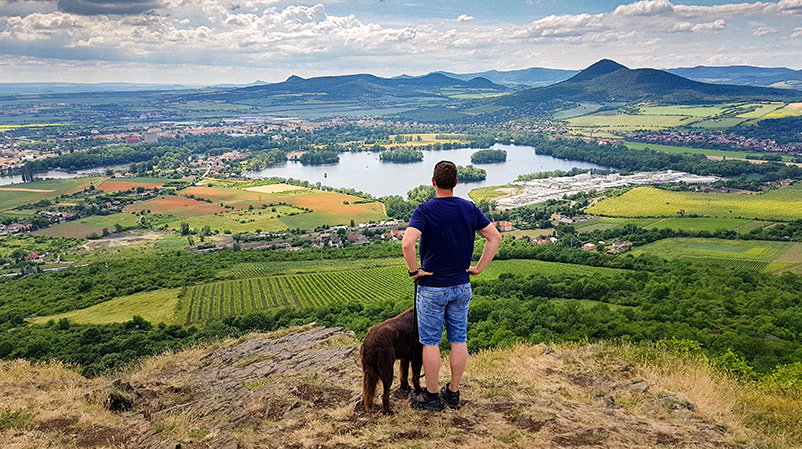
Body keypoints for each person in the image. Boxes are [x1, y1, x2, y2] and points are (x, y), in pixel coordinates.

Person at [401, 160, 502, 412]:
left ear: (433, 182)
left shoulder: (424, 210)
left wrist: (415, 272)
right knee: (459, 339)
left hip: (432, 286)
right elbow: (494, 237)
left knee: (431, 342)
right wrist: (478, 268)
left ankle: (432, 397)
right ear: (456, 183)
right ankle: (453, 393)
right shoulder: (469, 208)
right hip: (461, 284)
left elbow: (407, 243)